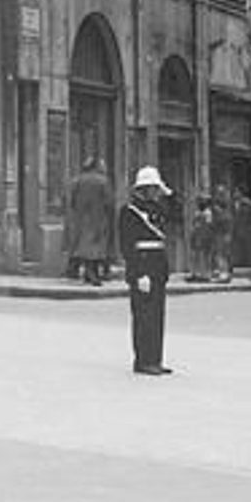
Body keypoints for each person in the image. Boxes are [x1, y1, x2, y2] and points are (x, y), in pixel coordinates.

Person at [119, 164, 173, 376]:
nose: (155, 192)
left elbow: (176, 214)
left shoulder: (157, 208)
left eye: (156, 188)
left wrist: (168, 192)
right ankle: (143, 361)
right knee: (144, 316)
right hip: (142, 267)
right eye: (153, 188)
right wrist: (139, 272)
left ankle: (155, 359)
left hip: (158, 267)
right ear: (143, 189)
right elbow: (127, 245)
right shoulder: (129, 212)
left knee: (157, 316)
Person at [62, 154, 111, 284]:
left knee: (81, 245)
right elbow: (108, 201)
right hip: (98, 218)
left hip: (80, 218)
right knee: (95, 246)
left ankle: (81, 272)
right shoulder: (103, 181)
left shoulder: (76, 180)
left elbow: (70, 200)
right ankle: (92, 273)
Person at [186, 193, 214, 283]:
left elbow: (207, 225)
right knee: (196, 255)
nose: (200, 203)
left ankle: (205, 274)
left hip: (204, 236)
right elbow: (195, 225)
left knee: (205, 255)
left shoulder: (207, 213)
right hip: (197, 235)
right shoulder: (198, 212)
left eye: (202, 201)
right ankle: (196, 273)